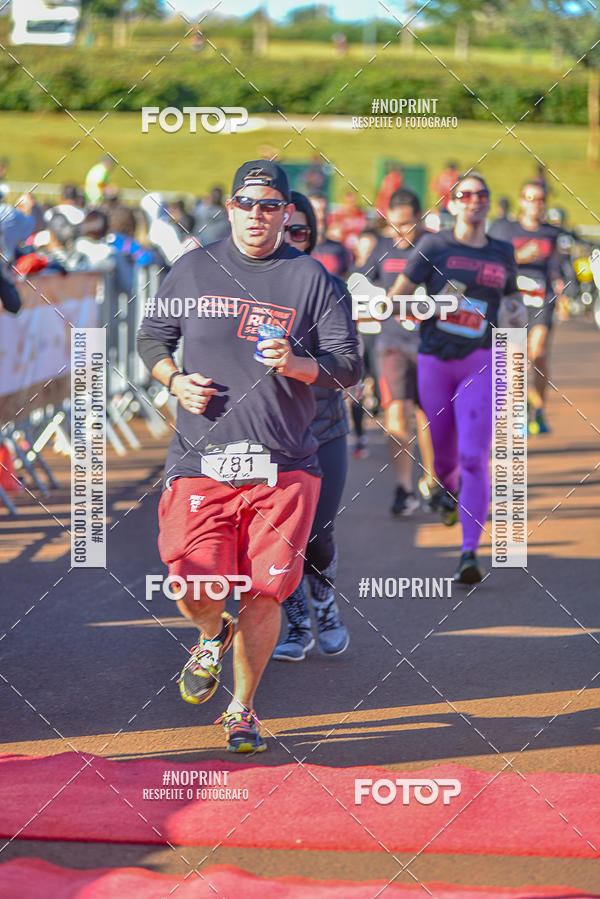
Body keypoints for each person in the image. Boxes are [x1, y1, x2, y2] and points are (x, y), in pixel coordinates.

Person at [137, 160, 361, 752]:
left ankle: (242, 710)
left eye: (269, 205)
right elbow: (152, 337)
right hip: (200, 460)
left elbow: (348, 365)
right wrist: (172, 378)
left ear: (287, 213)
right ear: (230, 208)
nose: (257, 214)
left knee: (265, 590)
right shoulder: (192, 268)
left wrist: (298, 363)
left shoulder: (312, 279)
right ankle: (212, 632)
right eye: (246, 203)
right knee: (192, 583)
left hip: (283, 465)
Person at [388, 174, 526, 583]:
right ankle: (443, 489)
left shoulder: (502, 251)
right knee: (445, 457)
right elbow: (396, 298)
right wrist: (435, 305)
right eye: (465, 195)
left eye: (482, 195)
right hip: (434, 361)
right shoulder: (434, 246)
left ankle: (469, 553)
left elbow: (513, 300)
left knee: (473, 456)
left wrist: (517, 315)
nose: (474, 201)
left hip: (481, 361)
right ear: (451, 204)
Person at [272, 190, 352, 662]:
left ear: (312, 236)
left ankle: (324, 601)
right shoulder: (245, 287)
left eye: (299, 231)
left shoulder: (331, 289)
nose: (291, 238)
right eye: (284, 229)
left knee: (317, 535)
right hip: (267, 436)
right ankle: (297, 618)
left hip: (322, 430)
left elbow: (346, 363)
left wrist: (298, 365)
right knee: (278, 538)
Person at [360, 188, 436, 515]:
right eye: (395, 225)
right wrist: (374, 295)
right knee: (395, 413)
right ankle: (404, 488)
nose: (401, 232)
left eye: (407, 224)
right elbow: (359, 283)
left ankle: (433, 483)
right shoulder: (380, 247)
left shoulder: (434, 247)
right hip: (391, 344)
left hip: (429, 344)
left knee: (428, 416)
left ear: (419, 219)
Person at [489, 180, 564, 434]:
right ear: (521, 201)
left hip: (541, 302)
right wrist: (519, 256)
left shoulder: (551, 233)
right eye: (530, 199)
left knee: (538, 352)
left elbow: (560, 266)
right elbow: (494, 262)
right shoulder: (505, 230)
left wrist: (563, 291)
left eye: (540, 199)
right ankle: (519, 411)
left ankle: (539, 408)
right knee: (515, 359)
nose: (536, 204)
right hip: (512, 302)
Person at [309, 193, 353, 277]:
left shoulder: (339, 249)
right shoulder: (298, 248)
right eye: (316, 211)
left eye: (324, 210)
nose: (321, 216)